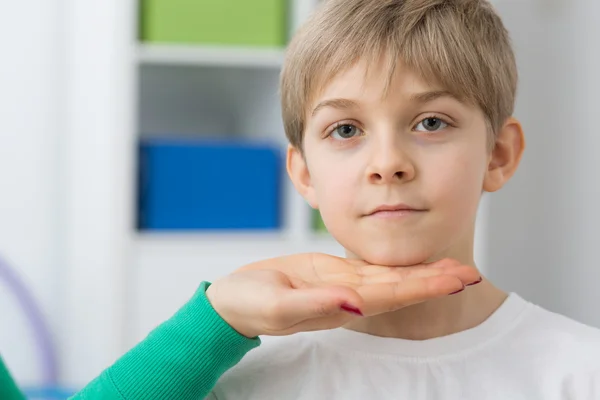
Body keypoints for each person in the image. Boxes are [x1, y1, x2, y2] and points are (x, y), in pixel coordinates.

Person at [0, 0, 598, 398]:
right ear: (304, 173)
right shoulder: (239, 383)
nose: (387, 162)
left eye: (432, 122)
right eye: (346, 130)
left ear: (498, 154)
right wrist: (217, 321)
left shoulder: (579, 370)